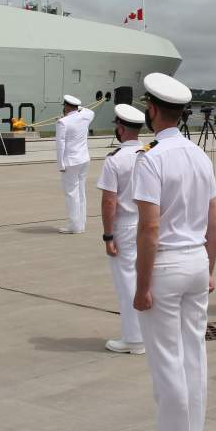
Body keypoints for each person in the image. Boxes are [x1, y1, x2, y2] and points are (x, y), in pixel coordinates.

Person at [131, 72, 216, 431]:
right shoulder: (200, 156)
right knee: (194, 357)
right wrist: (210, 267)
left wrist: (141, 283)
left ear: (152, 109)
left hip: (166, 263)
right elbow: (215, 219)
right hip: (197, 261)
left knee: (167, 359)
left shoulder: (151, 158)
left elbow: (149, 227)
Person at [97, 103, 148, 355]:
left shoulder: (115, 160)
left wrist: (108, 234)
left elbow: (109, 201)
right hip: (148, 222)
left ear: (121, 128)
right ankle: (147, 333)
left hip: (126, 225)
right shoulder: (150, 154)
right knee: (146, 278)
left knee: (127, 281)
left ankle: (133, 338)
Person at [55, 94, 94, 234]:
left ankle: (74, 226)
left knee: (71, 194)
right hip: (84, 159)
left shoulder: (63, 123)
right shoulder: (86, 116)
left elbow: (60, 146)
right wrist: (78, 107)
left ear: (66, 106)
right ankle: (81, 223)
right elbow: (89, 110)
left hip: (70, 162)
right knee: (81, 192)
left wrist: (60, 164)